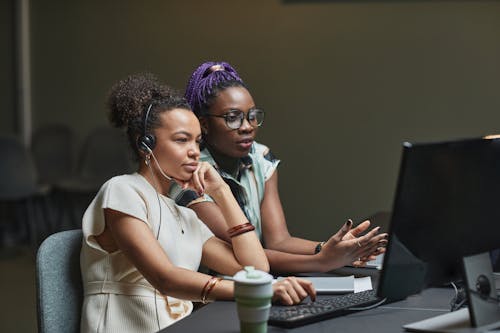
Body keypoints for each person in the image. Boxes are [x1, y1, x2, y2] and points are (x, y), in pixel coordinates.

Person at [80, 73, 316, 333]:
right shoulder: (122, 190)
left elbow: (254, 268)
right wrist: (260, 290)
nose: (194, 151)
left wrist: (221, 191)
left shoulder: (184, 215)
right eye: (182, 140)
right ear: (145, 145)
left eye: (197, 141)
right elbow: (165, 278)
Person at [179, 61, 388, 274]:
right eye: (233, 118)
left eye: (252, 116)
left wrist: (331, 248)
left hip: (259, 282)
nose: (247, 127)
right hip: (211, 297)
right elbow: (246, 254)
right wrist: (322, 260)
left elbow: (278, 241)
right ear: (204, 124)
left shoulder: (261, 158)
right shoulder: (191, 174)